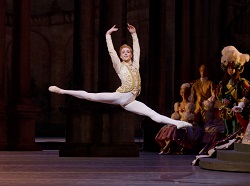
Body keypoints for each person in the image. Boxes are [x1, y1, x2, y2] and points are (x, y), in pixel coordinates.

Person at [48, 23, 192, 129]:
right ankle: (62, 91)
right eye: (123, 52)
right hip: (121, 95)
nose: (125, 54)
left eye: (127, 52)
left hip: (130, 100)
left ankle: (178, 123)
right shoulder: (119, 65)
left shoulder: (135, 65)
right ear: (120, 55)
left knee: (153, 114)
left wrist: (134, 34)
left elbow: (138, 50)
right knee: (90, 96)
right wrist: (107, 36)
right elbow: (111, 52)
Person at [155, 83, 202, 155]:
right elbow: (176, 116)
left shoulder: (190, 105)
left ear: (189, 93)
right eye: (182, 92)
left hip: (186, 123)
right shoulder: (178, 104)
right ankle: (169, 147)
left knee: (175, 129)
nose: (184, 94)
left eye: (186, 92)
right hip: (178, 122)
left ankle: (166, 148)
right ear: (180, 93)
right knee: (168, 128)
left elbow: (192, 118)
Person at [216, 45, 250, 135]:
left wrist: (242, 103)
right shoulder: (222, 83)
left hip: (237, 110)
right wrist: (222, 100)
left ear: (236, 68)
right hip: (226, 110)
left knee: (236, 131)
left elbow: (247, 95)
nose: (231, 70)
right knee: (227, 131)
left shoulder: (242, 82)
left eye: (232, 68)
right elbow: (219, 96)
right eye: (229, 68)